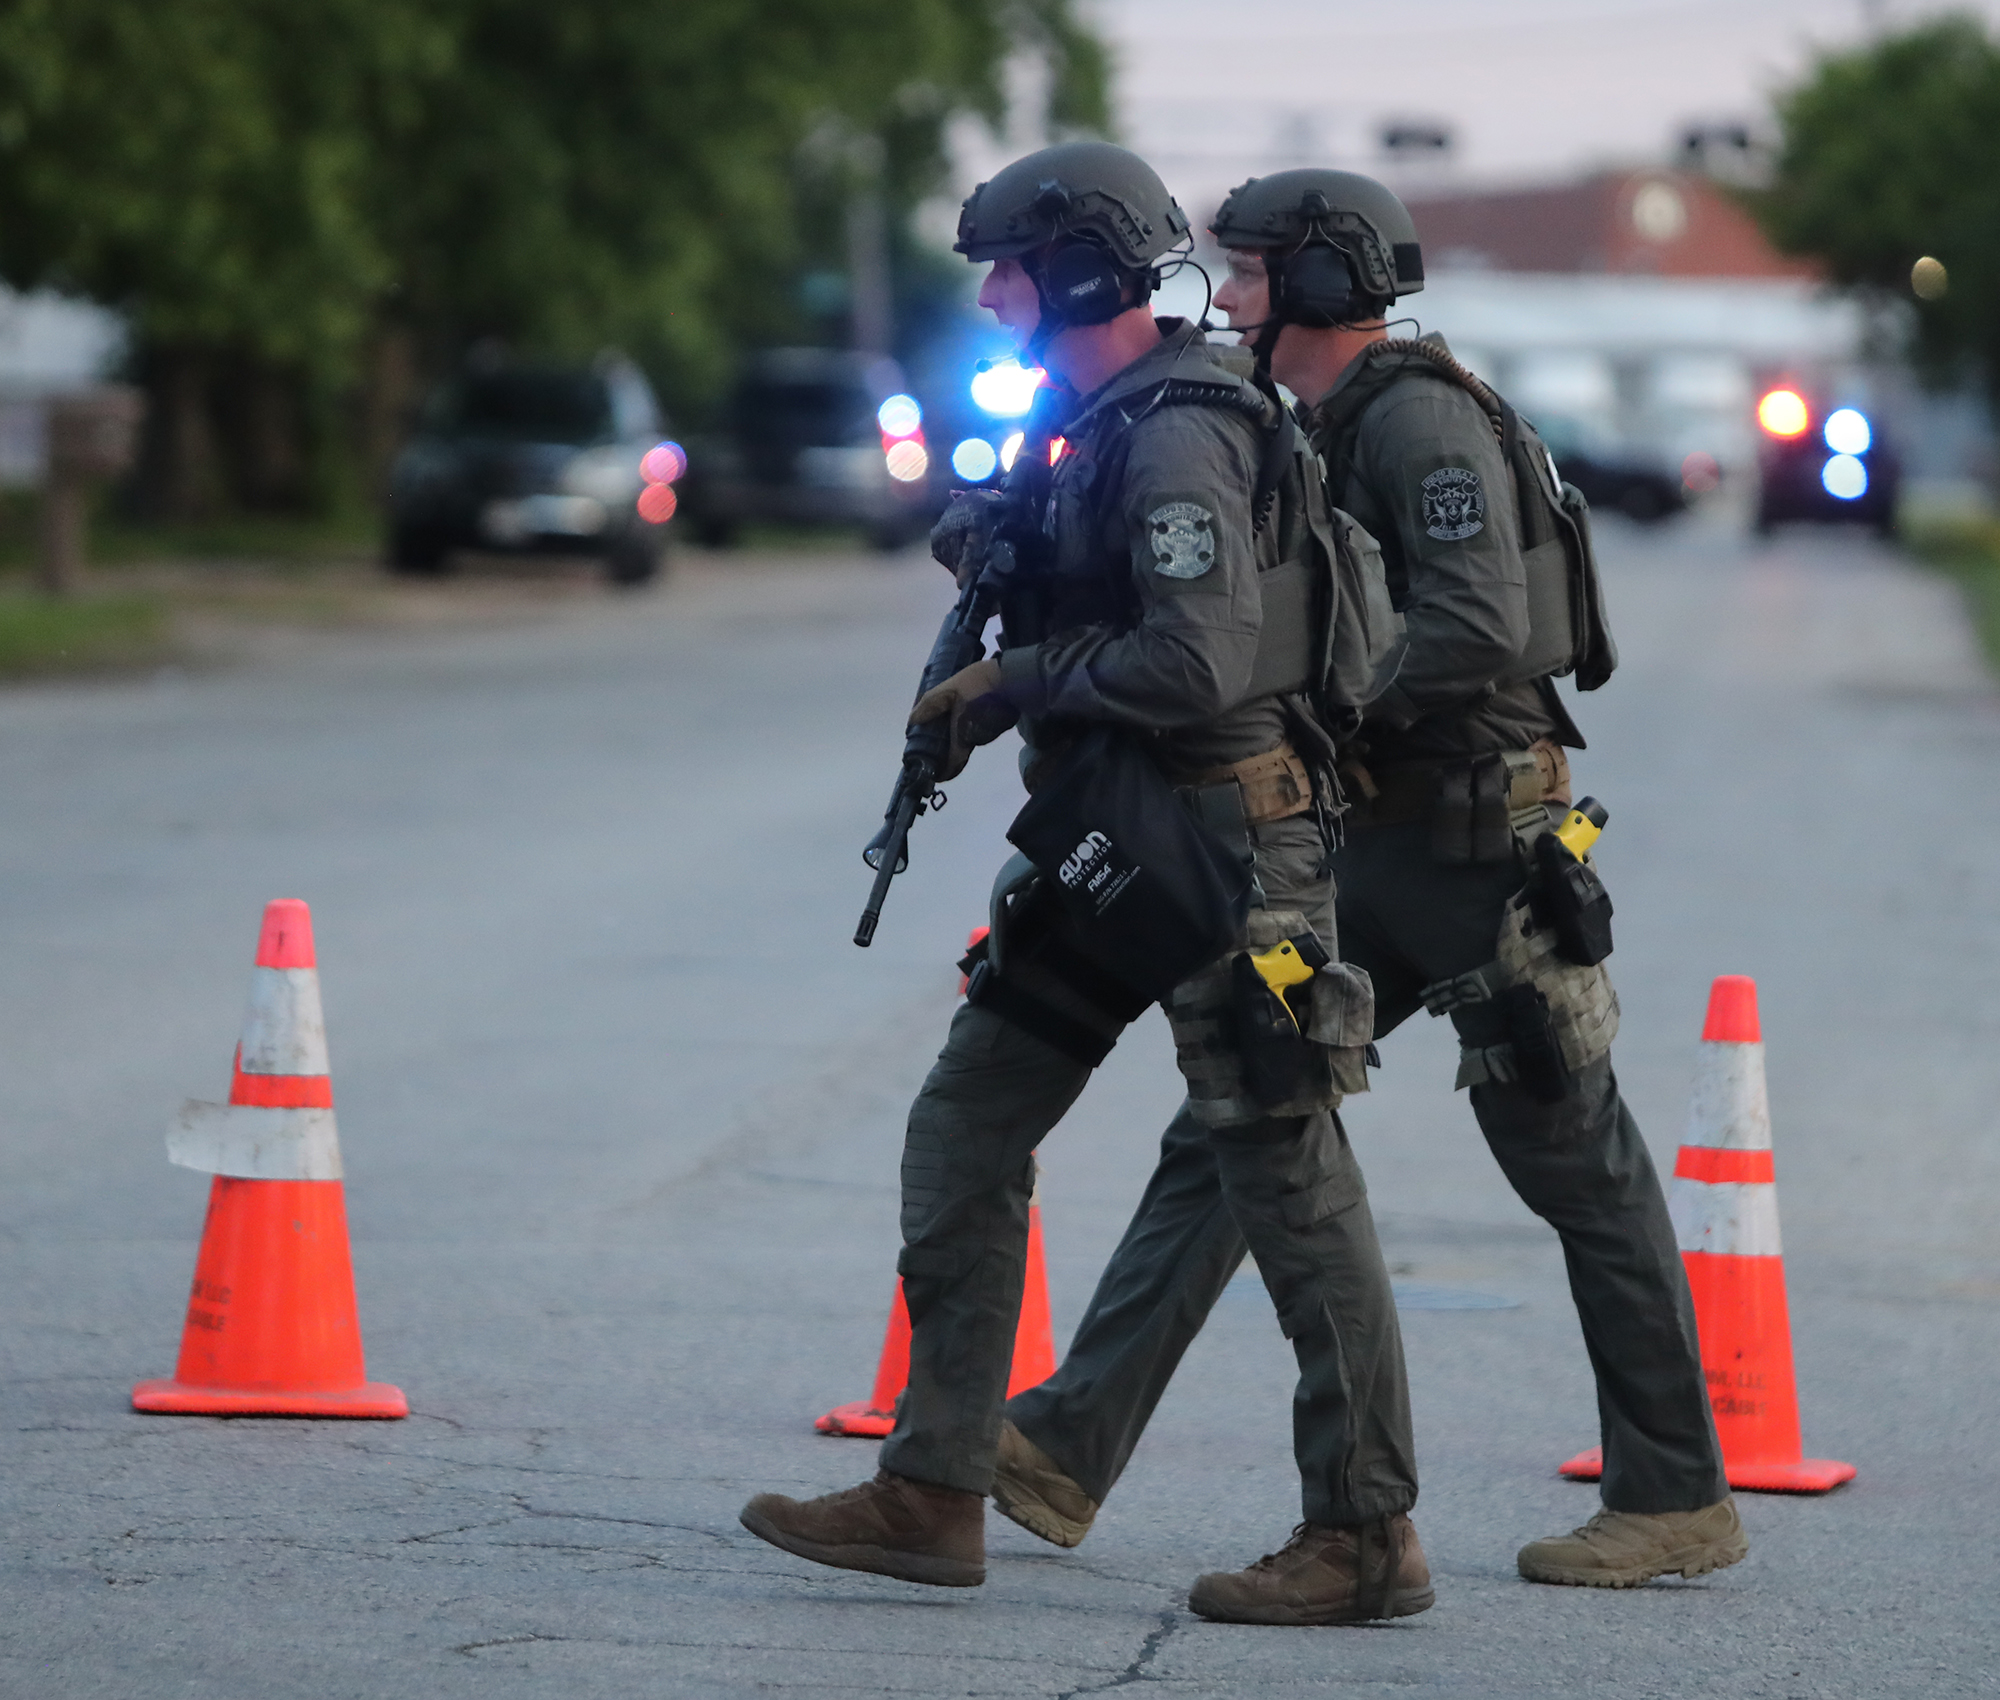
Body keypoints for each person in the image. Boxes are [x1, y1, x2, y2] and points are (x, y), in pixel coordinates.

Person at [991, 168, 1749, 1591]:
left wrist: (1307, 693)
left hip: (1476, 849)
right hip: (1381, 842)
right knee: (1243, 1113)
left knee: (1573, 1158)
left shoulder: (1418, 419)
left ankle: (1676, 1492)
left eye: (1257, 275)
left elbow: (1479, 623)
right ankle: (1061, 1444)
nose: (1230, 300)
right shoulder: (1319, 418)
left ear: (1329, 282)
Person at [740, 143, 1435, 1626]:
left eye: (1006, 266)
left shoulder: (1178, 429)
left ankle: (1368, 1533)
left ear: (1071, 269)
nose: (989, 295)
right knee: (967, 1124)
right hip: (1116, 843)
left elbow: (1192, 660)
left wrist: (1016, 676)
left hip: (1228, 851)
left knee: (1290, 1185)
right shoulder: (1098, 416)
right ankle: (933, 1493)